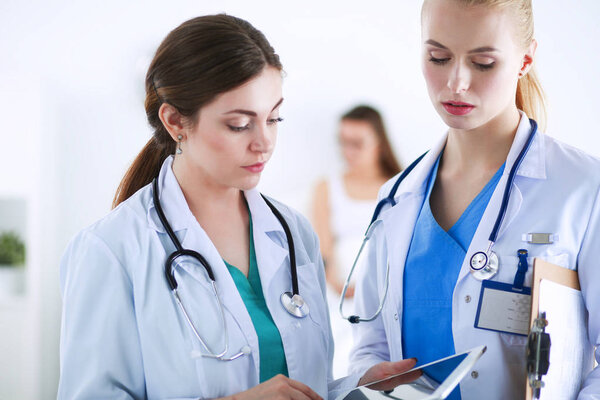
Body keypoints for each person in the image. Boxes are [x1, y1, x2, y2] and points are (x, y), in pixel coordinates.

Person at [58, 14, 419, 400]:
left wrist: (356, 385)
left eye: (273, 118)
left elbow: (299, 382)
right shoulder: (111, 249)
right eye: (239, 124)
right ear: (175, 121)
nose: (264, 142)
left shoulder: (293, 232)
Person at [349, 1, 600, 399]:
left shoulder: (583, 188)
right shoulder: (397, 198)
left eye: (483, 62)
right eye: (438, 57)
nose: (456, 82)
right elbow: (369, 344)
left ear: (525, 59)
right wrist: (367, 374)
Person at [311, 105, 400, 378]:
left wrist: (371, 287)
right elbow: (321, 250)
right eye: (343, 143)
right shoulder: (327, 187)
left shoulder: (400, 186)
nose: (348, 151)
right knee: (337, 345)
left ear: (378, 144)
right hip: (339, 291)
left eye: (357, 143)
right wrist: (339, 283)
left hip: (386, 289)